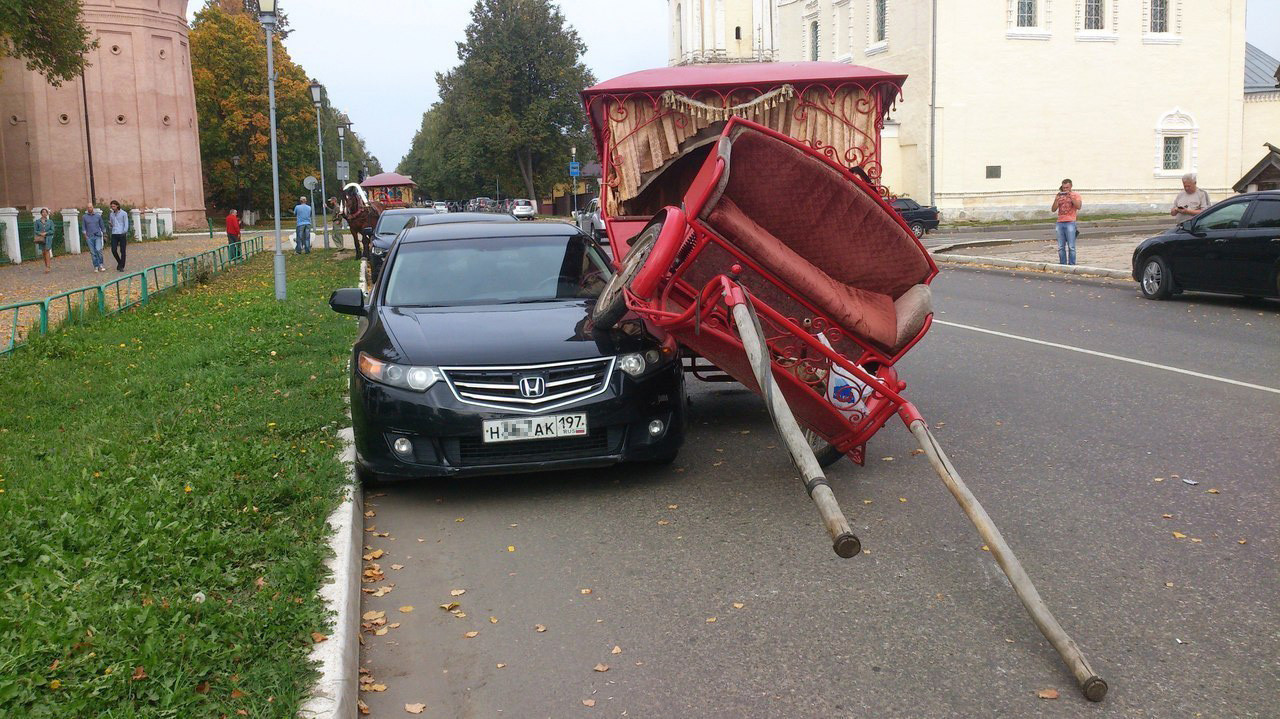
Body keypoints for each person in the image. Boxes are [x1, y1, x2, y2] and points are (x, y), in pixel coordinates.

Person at [1050, 178, 1082, 266]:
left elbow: (1078, 206)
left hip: (1070, 222)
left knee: (1071, 246)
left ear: (1071, 186)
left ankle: (1072, 264)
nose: (1065, 189)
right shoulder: (1060, 196)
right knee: (1060, 247)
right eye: (1064, 188)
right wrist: (1056, 200)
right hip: (1060, 222)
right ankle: (1062, 264)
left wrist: (1071, 197)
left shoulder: (1076, 195)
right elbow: (1053, 209)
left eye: (1067, 187)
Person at [82, 205, 106, 272]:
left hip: (97, 235)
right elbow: (83, 226)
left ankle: (101, 264)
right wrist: (85, 235)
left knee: (98, 250)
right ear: (87, 209)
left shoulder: (98, 216)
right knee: (93, 252)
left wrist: (104, 233)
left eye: (91, 207)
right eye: (88, 207)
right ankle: (96, 265)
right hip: (89, 236)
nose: (90, 208)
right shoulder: (84, 217)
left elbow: (102, 225)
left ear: (93, 208)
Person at [108, 200, 129, 271]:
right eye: (111, 206)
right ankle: (119, 262)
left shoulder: (124, 213)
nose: (112, 207)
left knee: (123, 251)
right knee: (113, 250)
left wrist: (124, 232)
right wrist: (110, 225)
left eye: (114, 206)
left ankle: (121, 266)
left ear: (117, 206)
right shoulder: (111, 214)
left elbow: (126, 224)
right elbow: (111, 225)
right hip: (114, 233)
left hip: (122, 233)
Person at [33, 208, 55, 273]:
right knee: (43, 252)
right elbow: (35, 230)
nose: (44, 213)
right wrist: (40, 233)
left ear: (47, 214)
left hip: (48, 238)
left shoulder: (50, 222)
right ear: (41, 213)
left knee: (47, 250)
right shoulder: (37, 221)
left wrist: (46, 233)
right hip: (41, 239)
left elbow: (52, 230)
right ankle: (46, 265)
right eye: (43, 212)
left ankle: (48, 267)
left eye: (45, 212)